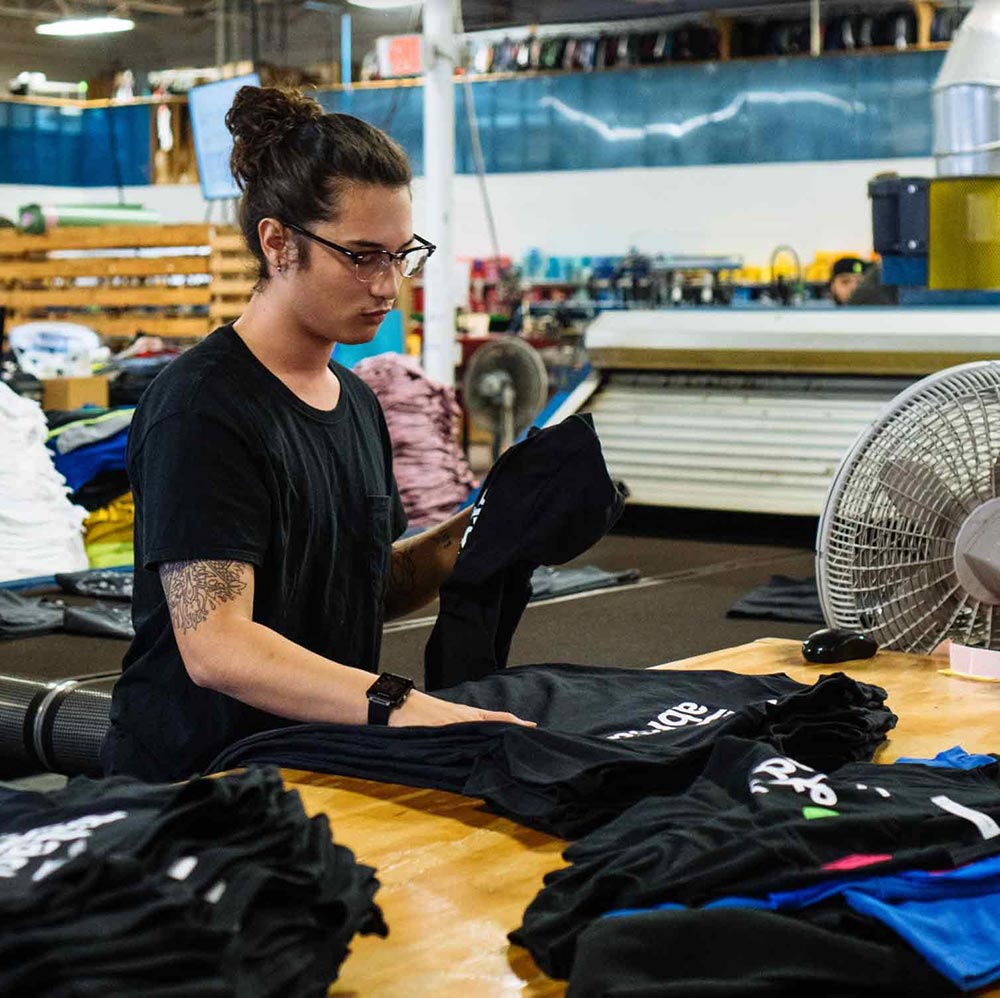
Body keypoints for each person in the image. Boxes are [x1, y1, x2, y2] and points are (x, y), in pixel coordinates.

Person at [101, 86, 532, 783]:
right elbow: (218, 645)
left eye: (401, 255)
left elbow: (369, 583)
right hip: (195, 788)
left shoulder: (357, 402)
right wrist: (407, 707)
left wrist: (485, 526)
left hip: (319, 765)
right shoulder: (204, 408)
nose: (389, 285)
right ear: (279, 244)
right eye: (362, 256)